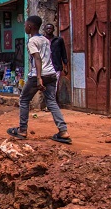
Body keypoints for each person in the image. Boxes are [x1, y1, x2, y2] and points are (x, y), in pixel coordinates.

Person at [7, 15, 72, 144]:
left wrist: (38, 78)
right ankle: (63, 131)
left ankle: (22, 129)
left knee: (24, 99)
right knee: (52, 102)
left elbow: (37, 58)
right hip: (51, 74)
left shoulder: (32, 41)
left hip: (39, 75)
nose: (24, 27)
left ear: (30, 26)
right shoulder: (45, 40)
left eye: (25, 25)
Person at [44, 23, 69, 94]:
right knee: (45, 85)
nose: (49, 30)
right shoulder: (42, 40)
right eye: (47, 28)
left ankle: (52, 102)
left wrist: (65, 65)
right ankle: (49, 102)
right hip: (45, 66)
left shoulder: (59, 40)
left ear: (53, 30)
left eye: (50, 28)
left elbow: (63, 53)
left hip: (56, 66)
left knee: (55, 85)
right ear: (44, 30)